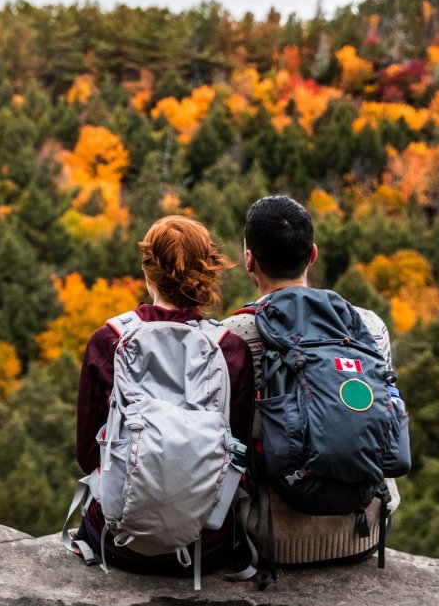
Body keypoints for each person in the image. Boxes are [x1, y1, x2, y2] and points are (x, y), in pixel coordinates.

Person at [220, 194, 400, 566]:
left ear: (249, 261)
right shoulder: (368, 327)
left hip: (270, 541)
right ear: (313, 254)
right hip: (362, 533)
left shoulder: (232, 335)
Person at [74, 215, 254, 574]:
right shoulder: (230, 349)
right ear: (207, 272)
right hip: (206, 543)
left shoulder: (108, 340)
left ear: (147, 271)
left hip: (118, 541)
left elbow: (88, 454)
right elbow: (237, 455)